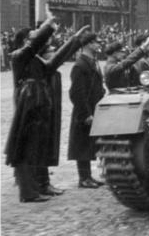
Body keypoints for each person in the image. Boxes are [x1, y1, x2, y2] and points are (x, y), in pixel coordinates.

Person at [4, 17, 91, 202]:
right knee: (25, 150)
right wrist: (48, 27)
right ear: (24, 41)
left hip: (36, 108)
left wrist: (75, 40)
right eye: (31, 36)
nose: (35, 38)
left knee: (34, 148)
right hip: (27, 110)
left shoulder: (33, 59)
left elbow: (55, 62)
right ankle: (28, 192)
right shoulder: (18, 56)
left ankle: (35, 188)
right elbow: (33, 46)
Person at [67, 32, 106, 188]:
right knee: (82, 145)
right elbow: (77, 93)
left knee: (88, 144)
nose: (99, 45)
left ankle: (88, 176)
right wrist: (86, 114)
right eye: (97, 42)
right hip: (84, 113)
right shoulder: (80, 65)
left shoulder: (91, 61)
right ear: (89, 44)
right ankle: (83, 178)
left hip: (93, 109)